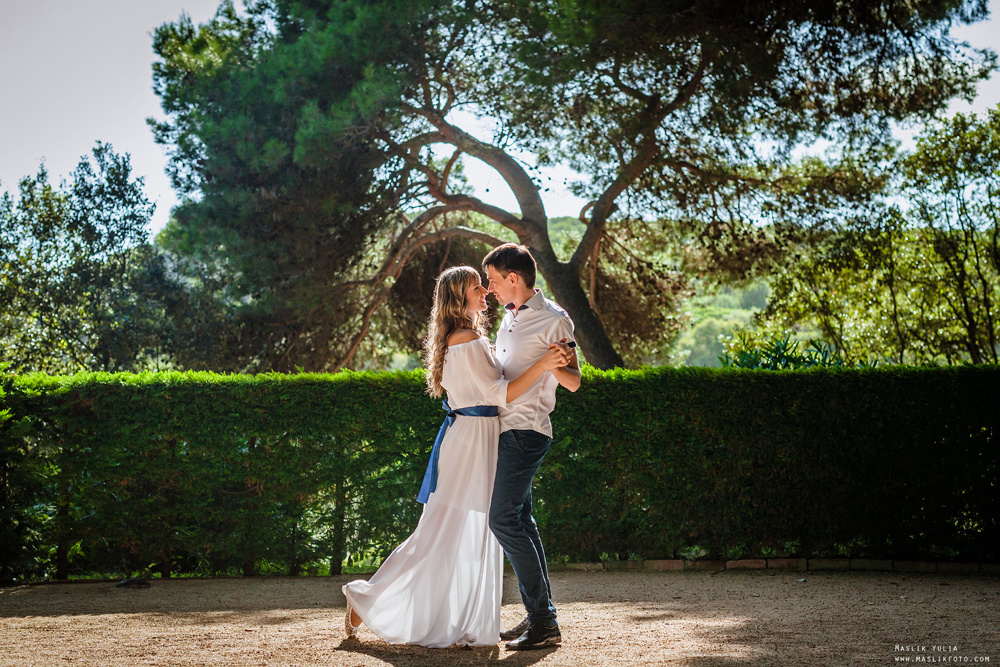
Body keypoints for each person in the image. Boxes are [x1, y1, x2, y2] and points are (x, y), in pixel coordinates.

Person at [342, 265, 569, 648]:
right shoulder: (466, 338)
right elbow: (500, 393)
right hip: (472, 440)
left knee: (464, 529)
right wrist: (544, 365)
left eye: (484, 284)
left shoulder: (468, 335)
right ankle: (367, 598)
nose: (485, 291)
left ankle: (465, 618)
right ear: (458, 298)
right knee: (441, 528)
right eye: (476, 287)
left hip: (477, 437)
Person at [483, 243, 581, 651]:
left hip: (527, 430)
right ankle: (541, 615)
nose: (489, 290)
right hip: (505, 430)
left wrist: (557, 362)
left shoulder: (554, 319)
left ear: (513, 279)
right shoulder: (509, 319)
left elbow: (574, 382)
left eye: (492, 281)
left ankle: (543, 621)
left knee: (503, 520)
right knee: (521, 520)